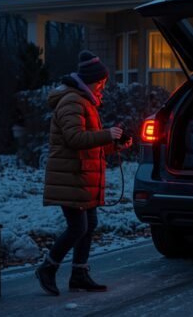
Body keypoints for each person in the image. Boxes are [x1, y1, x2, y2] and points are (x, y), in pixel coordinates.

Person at [35, 50, 131, 296]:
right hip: (71, 177)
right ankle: (47, 268)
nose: (103, 87)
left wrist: (115, 144)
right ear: (91, 80)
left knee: (90, 224)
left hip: (83, 178)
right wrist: (107, 134)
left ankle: (79, 273)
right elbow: (75, 138)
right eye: (101, 83)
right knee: (78, 227)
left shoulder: (85, 102)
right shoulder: (72, 102)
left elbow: (91, 143)